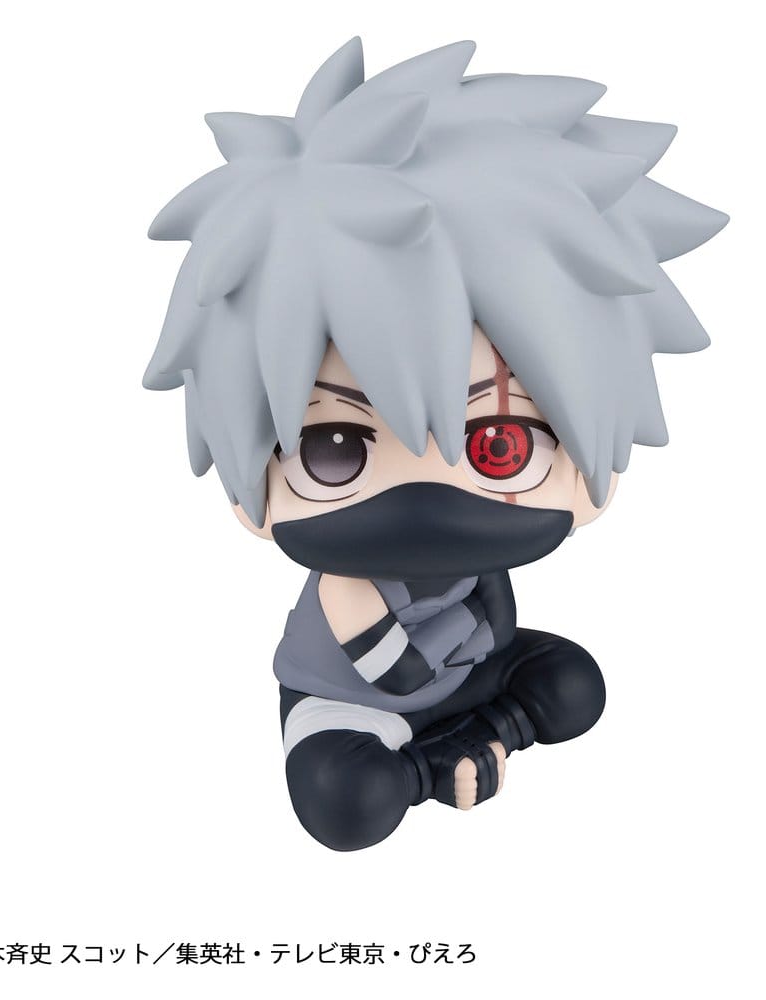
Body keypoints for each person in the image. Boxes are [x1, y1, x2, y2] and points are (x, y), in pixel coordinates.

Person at [144, 38, 727, 850]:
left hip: (476, 674)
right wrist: (457, 672)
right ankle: (441, 760)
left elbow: (493, 616)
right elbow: (396, 673)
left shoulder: (487, 551)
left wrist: (478, 660)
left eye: (497, 445)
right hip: (357, 705)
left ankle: (465, 746)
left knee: (572, 686)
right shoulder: (349, 590)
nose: (426, 499)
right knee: (346, 801)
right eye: (336, 449)